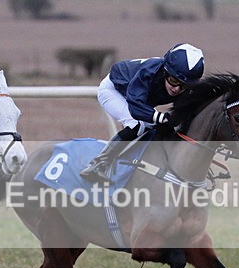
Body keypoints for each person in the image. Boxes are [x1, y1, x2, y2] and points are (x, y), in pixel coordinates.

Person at [80, 43, 204, 183]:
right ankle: (97, 164)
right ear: (165, 71)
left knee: (158, 127)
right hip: (114, 91)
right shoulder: (148, 72)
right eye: (173, 81)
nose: (176, 89)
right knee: (136, 124)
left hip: (138, 98)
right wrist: (161, 117)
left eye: (184, 86)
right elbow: (136, 107)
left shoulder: (181, 84)